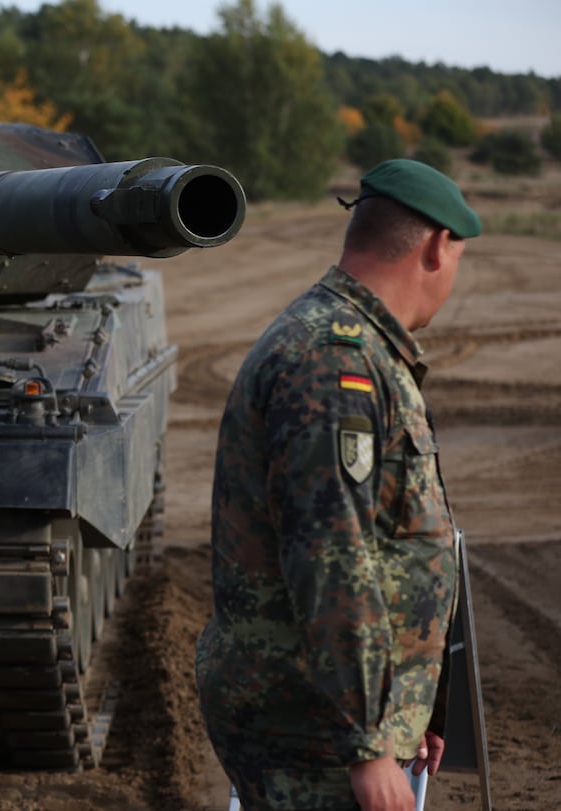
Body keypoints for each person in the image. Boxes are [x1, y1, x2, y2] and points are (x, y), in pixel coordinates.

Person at [195, 159, 482, 811]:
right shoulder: (334, 359)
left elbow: (389, 540)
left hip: (330, 718)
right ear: (439, 247)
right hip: (314, 731)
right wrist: (366, 743)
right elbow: (332, 558)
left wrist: (416, 704)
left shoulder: (355, 345)